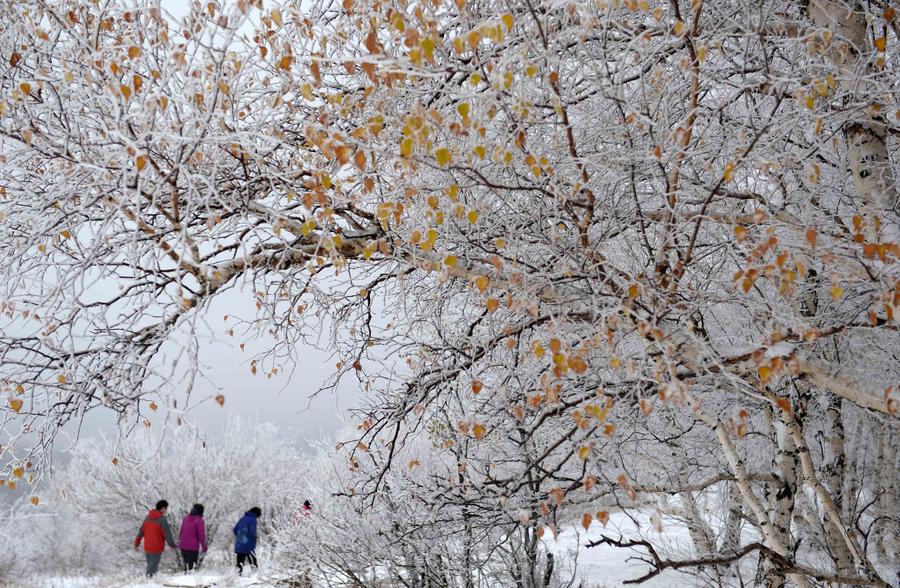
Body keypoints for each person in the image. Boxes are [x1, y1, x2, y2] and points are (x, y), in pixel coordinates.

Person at [134, 499, 177, 577]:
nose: (166, 510)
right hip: (157, 547)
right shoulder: (162, 520)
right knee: (152, 569)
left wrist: (137, 543)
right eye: (166, 508)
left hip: (147, 546)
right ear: (163, 508)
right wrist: (172, 545)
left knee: (150, 566)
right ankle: (149, 583)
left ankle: (149, 582)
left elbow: (141, 532)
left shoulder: (147, 518)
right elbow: (167, 534)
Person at [178, 503, 208, 572]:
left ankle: (184, 580)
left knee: (186, 567)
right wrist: (204, 547)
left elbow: (181, 532)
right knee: (191, 569)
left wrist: (180, 542)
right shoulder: (199, 521)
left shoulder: (185, 518)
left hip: (183, 546)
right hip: (192, 548)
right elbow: (201, 536)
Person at [233, 506, 262, 574]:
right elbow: (252, 532)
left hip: (239, 543)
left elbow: (235, 530)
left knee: (239, 563)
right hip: (249, 544)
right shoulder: (253, 520)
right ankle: (255, 575)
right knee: (253, 561)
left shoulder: (242, 518)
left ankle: (236, 577)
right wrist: (255, 539)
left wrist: (240, 536)